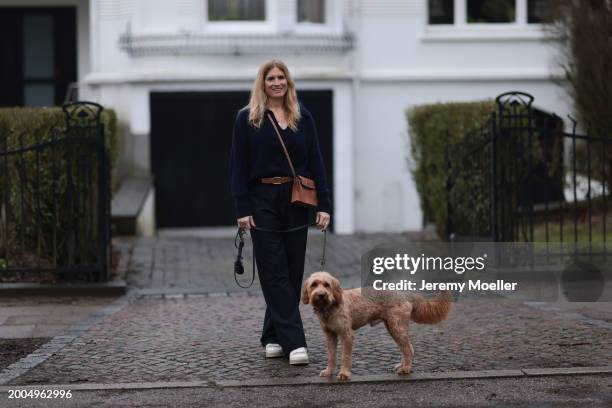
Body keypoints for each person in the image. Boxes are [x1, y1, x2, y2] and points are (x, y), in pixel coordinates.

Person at [229, 59, 331, 365]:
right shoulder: (247, 119)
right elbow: (237, 166)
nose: (277, 82)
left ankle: (272, 336)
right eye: (271, 78)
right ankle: (294, 342)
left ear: (288, 82)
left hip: (296, 199)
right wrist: (242, 207)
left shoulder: (303, 116)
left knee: (291, 271)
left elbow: (316, 162)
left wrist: (324, 205)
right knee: (273, 270)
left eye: (281, 77)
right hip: (261, 199)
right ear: (262, 84)